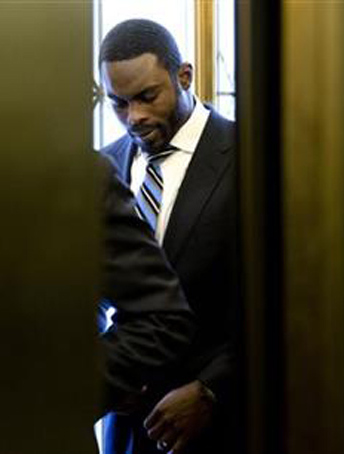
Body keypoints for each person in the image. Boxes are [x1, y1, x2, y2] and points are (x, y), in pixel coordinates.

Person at [99, 19, 240, 454]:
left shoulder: (251, 157)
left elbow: (287, 302)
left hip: (221, 427)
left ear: (184, 77)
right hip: (126, 430)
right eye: (117, 103)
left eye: (146, 97)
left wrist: (214, 390)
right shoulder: (104, 166)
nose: (134, 117)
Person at [97, 156, 195, 416]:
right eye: (120, 110)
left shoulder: (87, 175)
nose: (134, 116)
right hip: (123, 421)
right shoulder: (113, 156)